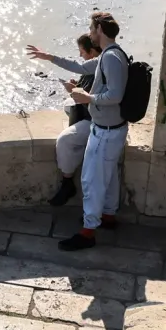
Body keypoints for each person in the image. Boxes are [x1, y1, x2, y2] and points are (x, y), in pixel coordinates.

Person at [57, 11, 128, 251]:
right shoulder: (112, 54)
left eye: (91, 29)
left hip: (106, 131)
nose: (89, 33)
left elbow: (115, 96)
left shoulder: (110, 58)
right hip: (111, 128)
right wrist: (47, 56)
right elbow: (78, 65)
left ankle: (88, 232)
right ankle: (107, 216)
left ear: (99, 30)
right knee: (108, 177)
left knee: (91, 180)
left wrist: (87, 97)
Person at [25, 35, 102, 205]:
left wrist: (74, 90)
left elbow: (96, 99)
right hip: (89, 113)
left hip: (97, 120)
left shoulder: (99, 66)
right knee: (68, 104)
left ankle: (67, 182)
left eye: (82, 51)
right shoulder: (95, 66)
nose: (80, 55)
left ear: (92, 51)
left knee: (65, 140)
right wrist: (76, 88)